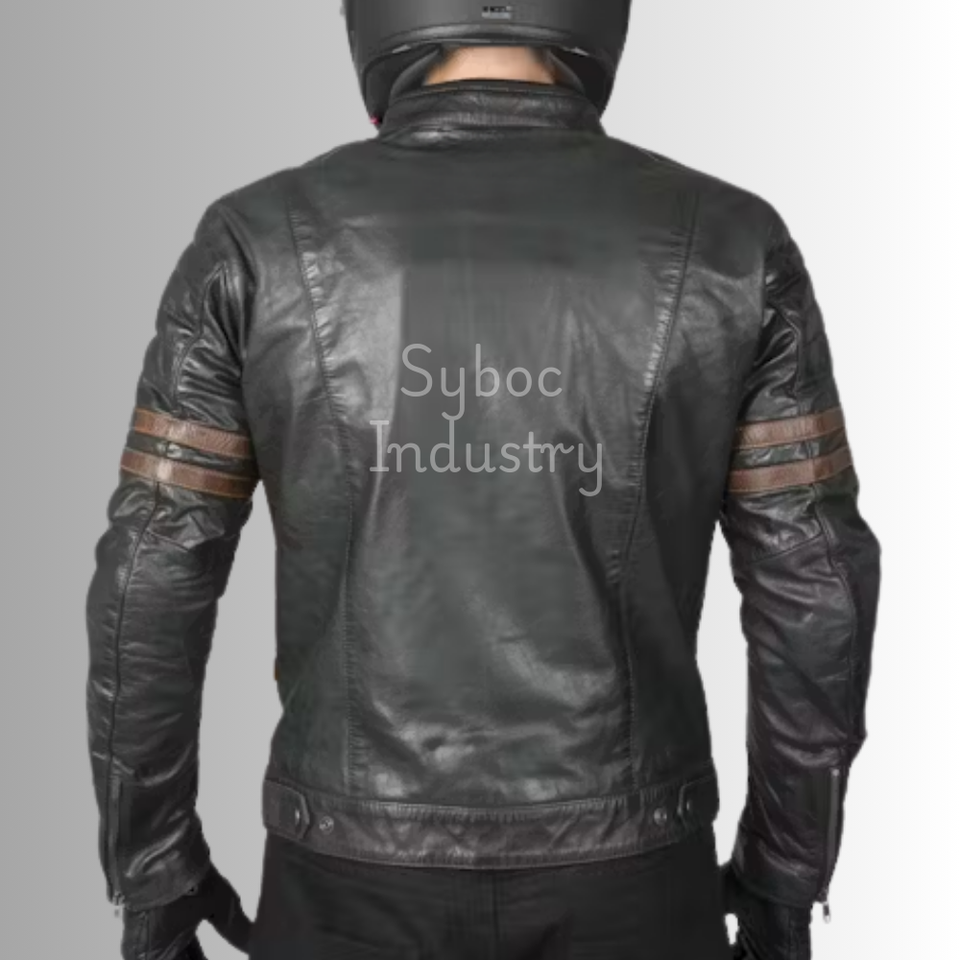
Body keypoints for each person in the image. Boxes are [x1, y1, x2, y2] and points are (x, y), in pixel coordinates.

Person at [85, 3, 881, 958]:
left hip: (346, 873)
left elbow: (150, 571)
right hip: (636, 870)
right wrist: (785, 873)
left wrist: (155, 870)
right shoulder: (730, 246)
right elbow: (816, 580)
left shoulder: (257, 241)